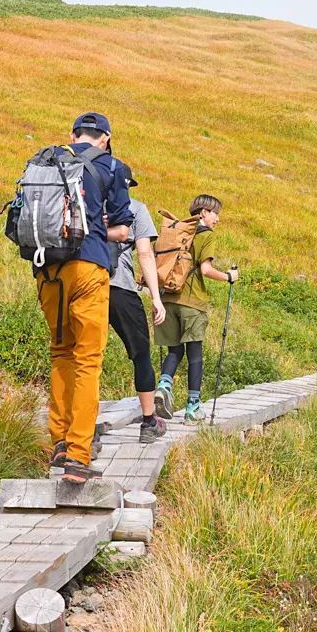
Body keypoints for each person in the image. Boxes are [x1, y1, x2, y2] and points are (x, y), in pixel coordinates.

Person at [36, 112, 132, 484]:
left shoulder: (48, 159)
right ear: (105, 138)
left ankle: (58, 440)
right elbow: (122, 229)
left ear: (73, 135)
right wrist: (98, 230)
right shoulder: (111, 166)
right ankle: (78, 455)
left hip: (47, 269)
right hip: (88, 269)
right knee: (88, 361)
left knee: (60, 352)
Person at [154, 193, 237, 422]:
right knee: (195, 355)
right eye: (215, 213)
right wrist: (229, 276)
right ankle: (192, 409)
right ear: (203, 213)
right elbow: (206, 270)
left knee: (174, 350)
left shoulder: (178, 232)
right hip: (192, 302)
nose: (217, 219)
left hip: (168, 298)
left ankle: (163, 385)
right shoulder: (205, 235)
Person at [106, 161, 171, 440]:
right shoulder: (135, 208)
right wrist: (156, 298)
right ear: (127, 184)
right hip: (119, 288)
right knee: (141, 354)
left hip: (82, 286)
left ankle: (81, 428)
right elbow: (145, 255)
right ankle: (148, 423)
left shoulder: (86, 203)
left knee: (82, 357)